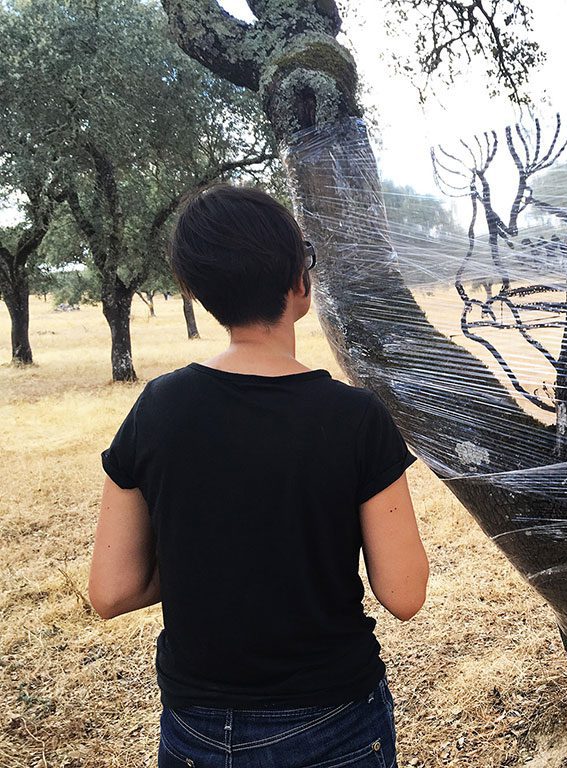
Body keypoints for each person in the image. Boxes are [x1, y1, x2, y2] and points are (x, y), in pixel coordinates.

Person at [88, 184, 428, 768]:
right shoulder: (355, 419)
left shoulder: (158, 409)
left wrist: (217, 562)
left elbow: (111, 591)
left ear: (198, 291)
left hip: (195, 728)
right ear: (300, 282)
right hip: (334, 722)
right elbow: (404, 593)